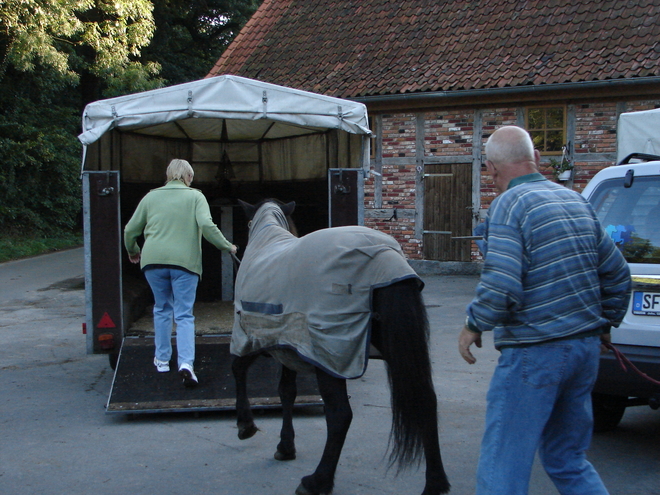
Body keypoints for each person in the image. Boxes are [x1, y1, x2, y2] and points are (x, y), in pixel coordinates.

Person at [458, 126, 631, 495]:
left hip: (534, 353)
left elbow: (502, 283)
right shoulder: (575, 200)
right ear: (536, 159)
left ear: (490, 169)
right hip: (583, 351)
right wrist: (606, 323)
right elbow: (616, 272)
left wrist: (475, 324)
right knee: (568, 459)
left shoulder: (508, 205)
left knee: (502, 465)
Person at [124, 159, 237, 388]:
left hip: (153, 261)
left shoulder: (150, 197)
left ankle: (162, 360)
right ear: (188, 177)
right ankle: (186, 363)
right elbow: (206, 225)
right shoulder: (195, 196)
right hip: (184, 263)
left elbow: (130, 229)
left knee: (161, 308)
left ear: (168, 176)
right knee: (184, 314)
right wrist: (227, 246)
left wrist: (133, 250)